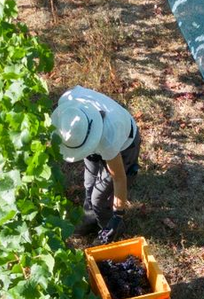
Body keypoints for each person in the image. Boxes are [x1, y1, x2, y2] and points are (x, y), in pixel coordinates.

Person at [50, 86, 140, 243]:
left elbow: (119, 178)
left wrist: (118, 216)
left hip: (124, 145)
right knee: (89, 183)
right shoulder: (68, 104)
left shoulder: (110, 139)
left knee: (100, 197)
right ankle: (90, 219)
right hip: (92, 134)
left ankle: (110, 229)